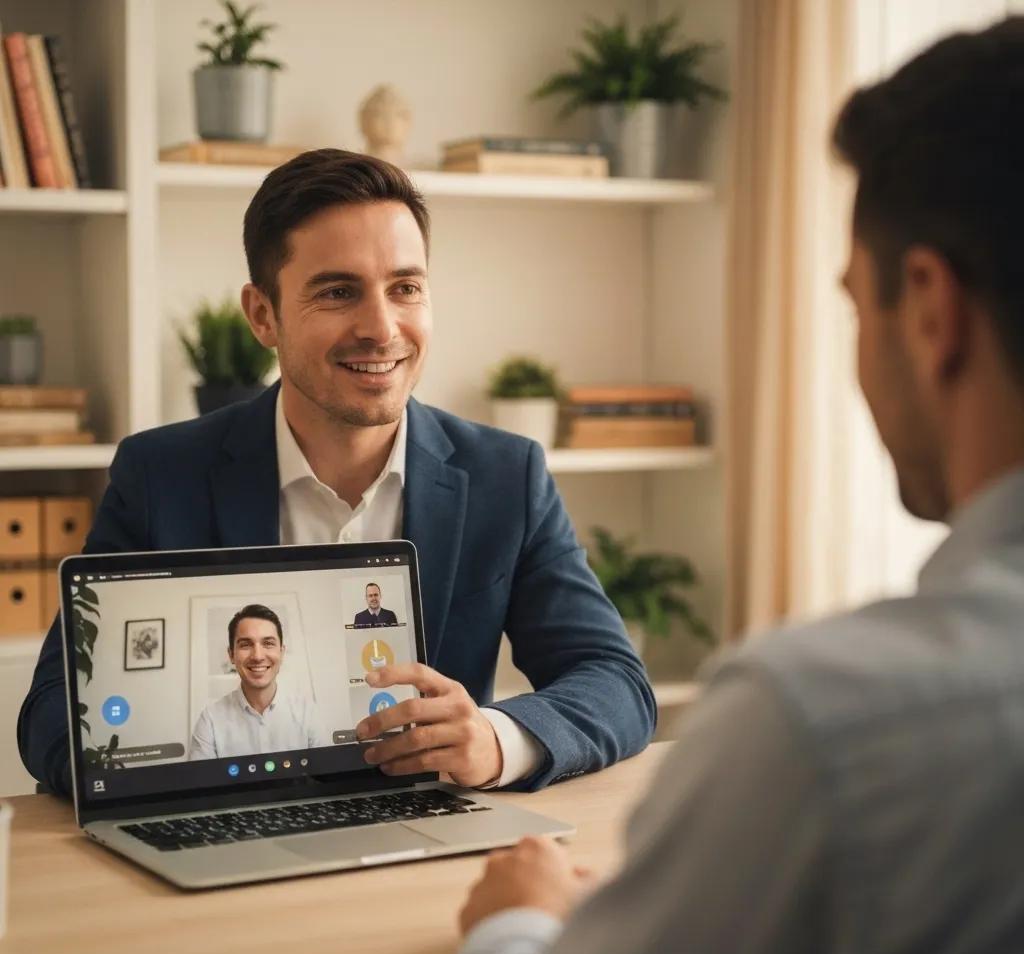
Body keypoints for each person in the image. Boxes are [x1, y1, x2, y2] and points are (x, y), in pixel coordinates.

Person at [425, 18, 1024, 954]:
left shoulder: (827, 730)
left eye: (850, 308)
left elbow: (613, 684)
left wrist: (513, 928)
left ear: (928, 310)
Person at [18, 149, 654, 797]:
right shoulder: (159, 474)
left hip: (432, 846)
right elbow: (51, 712)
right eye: (338, 291)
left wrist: (494, 740)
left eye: (405, 288)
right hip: (227, 844)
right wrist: (192, 769)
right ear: (263, 315)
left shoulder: (506, 476)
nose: (381, 329)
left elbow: (613, 679)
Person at [189, 604, 326, 760]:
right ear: (231, 655)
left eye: (268, 643)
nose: (258, 656)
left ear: (281, 652)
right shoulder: (210, 720)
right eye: (246, 644)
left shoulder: (308, 713)